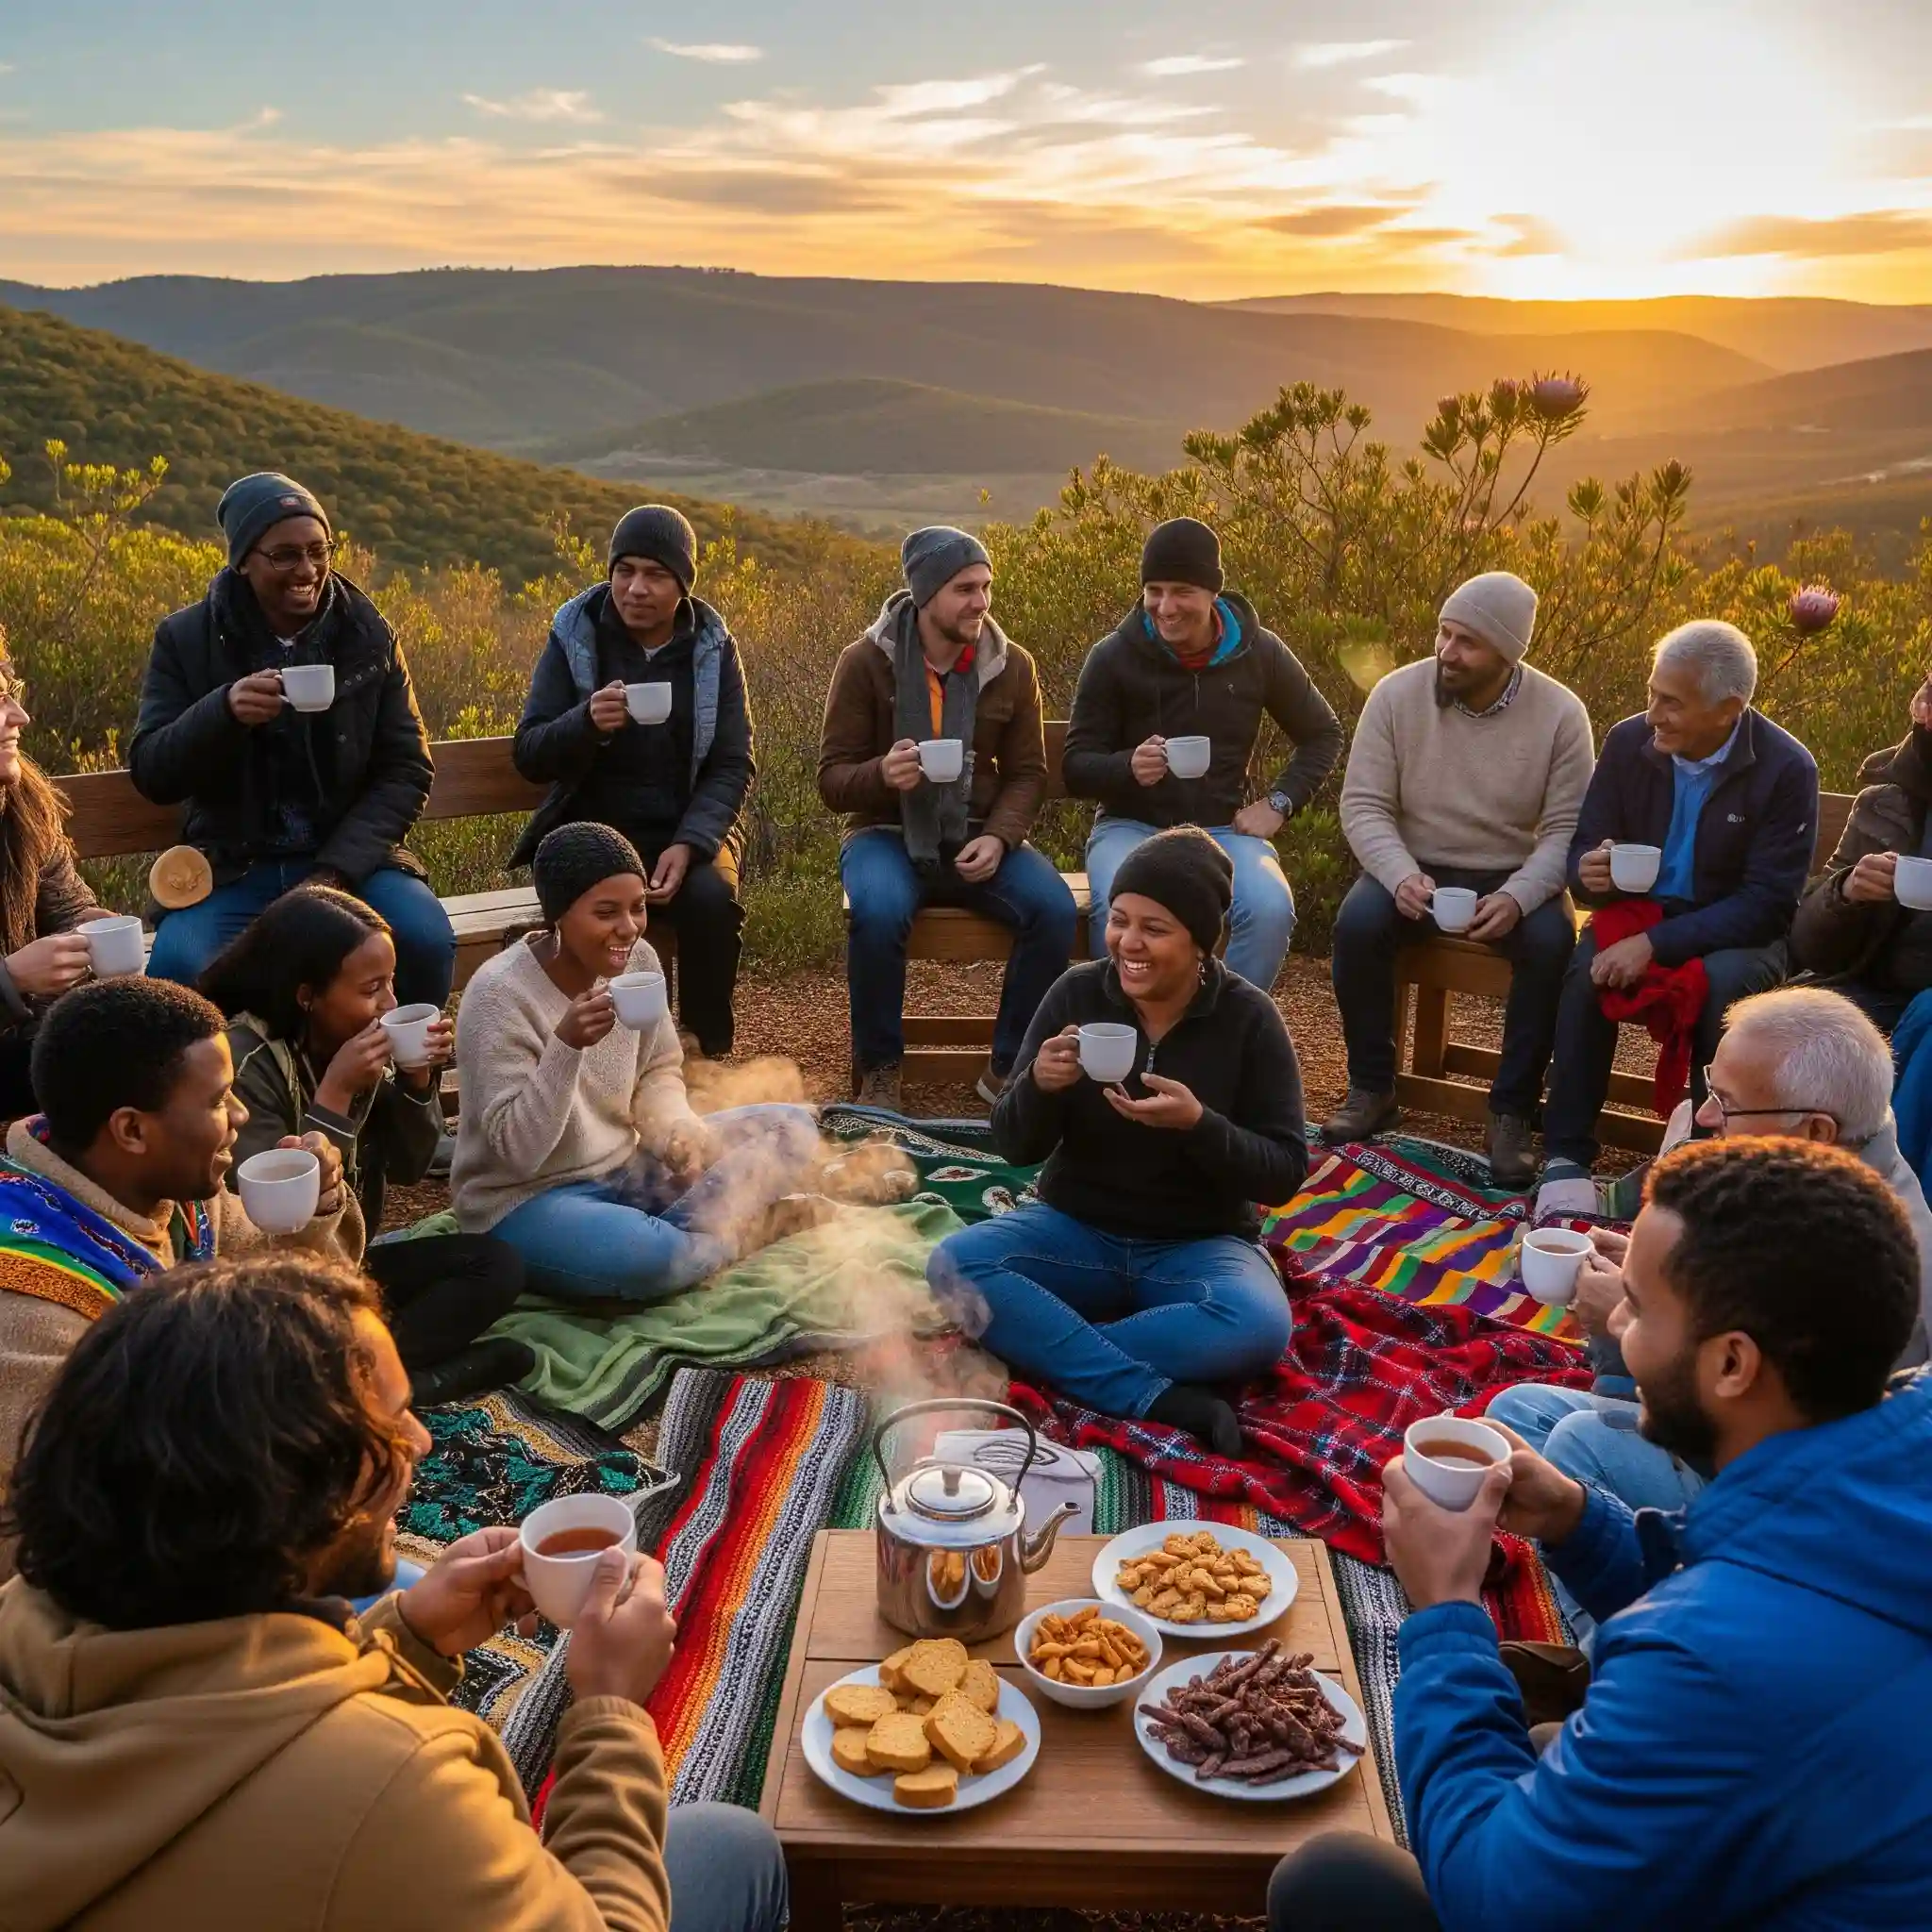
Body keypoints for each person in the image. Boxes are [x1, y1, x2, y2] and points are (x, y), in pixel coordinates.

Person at [0, 1252, 789, 1932]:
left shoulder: (24, 1623)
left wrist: (405, 1641)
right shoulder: (394, 1787)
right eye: (396, 1420)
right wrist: (609, 1708)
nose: (424, 1441)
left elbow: (227, 1730)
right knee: (735, 1849)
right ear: (296, 1494)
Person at [1272, 1138, 1932, 1932]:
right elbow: (1786, 1606)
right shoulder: (1896, 1450)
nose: (1613, 1320)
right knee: (1552, 1742)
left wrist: (1444, 1613)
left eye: (1640, 1308)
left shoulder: (1705, 1663)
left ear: (1733, 1365)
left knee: (1330, 1882)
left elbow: (1494, 1902)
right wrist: (1582, 1526)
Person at [1491, 988, 1932, 1579]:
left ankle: (1605, 1638)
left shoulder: (1862, 1256)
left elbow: (1762, 1447)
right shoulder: (1806, 1177)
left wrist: (1627, 1321)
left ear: (1817, 1130)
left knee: (1575, 1442)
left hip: (1790, 1523)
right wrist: (1659, 1285)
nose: (1703, 1116)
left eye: (1727, 1101)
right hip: (1755, 1454)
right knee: (1516, 1410)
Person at [928, 828, 1305, 1456]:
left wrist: (1199, 1125)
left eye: (1154, 929)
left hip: (1199, 1246)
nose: (1129, 943)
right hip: (1074, 1231)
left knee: (1259, 1325)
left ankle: (1051, 1346)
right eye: (1120, 920)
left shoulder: (1250, 1019)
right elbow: (1014, 1146)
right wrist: (1038, 1087)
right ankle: (1153, 1396)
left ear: (1199, 941)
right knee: (954, 1265)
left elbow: (1284, 1172)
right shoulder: (1075, 994)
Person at [0, 976, 358, 1578]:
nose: (241, 1115)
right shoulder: (28, 1304)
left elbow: (318, 1306)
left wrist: (315, 1208)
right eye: (219, 1100)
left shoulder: (174, 1197)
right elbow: (57, 1532)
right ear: (132, 1131)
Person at [451, 824, 822, 1302]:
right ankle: (735, 1230)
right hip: (530, 1198)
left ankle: (692, 1232)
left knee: (793, 1127)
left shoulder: (639, 961)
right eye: (606, 913)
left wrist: (676, 1131)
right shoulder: (498, 997)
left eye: (638, 907)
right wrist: (565, 1046)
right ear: (559, 916)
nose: (628, 929)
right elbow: (517, 1153)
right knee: (649, 1259)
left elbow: (658, 1068)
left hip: (628, 1166)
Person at [129, 472, 456, 1009]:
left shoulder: (368, 634)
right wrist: (224, 711)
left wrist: (333, 874)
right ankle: (217, 1093)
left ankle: (404, 1078)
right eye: (284, 555)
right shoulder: (186, 639)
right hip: (236, 867)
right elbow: (152, 771)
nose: (307, 570)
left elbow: (406, 768)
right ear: (243, 560)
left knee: (423, 938)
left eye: (318, 550)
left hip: (350, 862)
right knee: (178, 971)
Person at [199, 884, 533, 1408]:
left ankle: (366, 1378)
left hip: (347, 1261)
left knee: (496, 1265)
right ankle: (384, 1387)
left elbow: (409, 1167)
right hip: (271, 1287)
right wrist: (334, 1094)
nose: (390, 1004)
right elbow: (274, 1227)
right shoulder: (243, 1064)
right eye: (371, 988)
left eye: (391, 983)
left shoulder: (352, 1041)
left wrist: (419, 1082)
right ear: (307, 995)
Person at [1327, 573, 1594, 1185]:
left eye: (1467, 642)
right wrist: (1399, 876)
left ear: (1507, 654)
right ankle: (1372, 1087)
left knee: (1554, 945)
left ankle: (1511, 1111)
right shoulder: (1396, 696)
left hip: (1515, 871)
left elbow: (1566, 830)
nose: (1446, 652)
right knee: (1358, 925)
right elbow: (1363, 805)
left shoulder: (1560, 714)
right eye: (1444, 634)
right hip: (1414, 865)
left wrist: (1520, 894)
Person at [1541, 621, 1818, 1183]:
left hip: (1736, 929)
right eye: (1651, 694)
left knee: (1722, 986)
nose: (1652, 715)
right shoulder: (1627, 744)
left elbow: (1768, 903)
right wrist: (1590, 872)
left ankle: (1701, 1159)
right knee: (1585, 972)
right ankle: (1565, 1154)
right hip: (1643, 910)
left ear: (1728, 709)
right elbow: (1584, 847)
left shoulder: (1787, 768)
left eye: (1671, 703)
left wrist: (1654, 945)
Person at [818, 525, 1076, 1109]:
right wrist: (881, 774)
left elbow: (1027, 774)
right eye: (965, 588)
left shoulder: (1012, 666)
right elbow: (832, 778)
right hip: (883, 833)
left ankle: (1010, 1068)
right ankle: (881, 1068)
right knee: (878, 911)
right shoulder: (865, 663)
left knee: (1055, 909)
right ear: (926, 593)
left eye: (985, 587)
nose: (980, 602)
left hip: (978, 835)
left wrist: (1002, 839)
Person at [511, 506, 755, 1059]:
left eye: (655, 574)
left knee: (711, 900)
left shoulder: (712, 649)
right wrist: (586, 723)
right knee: (596, 908)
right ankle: (599, 1057)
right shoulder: (576, 635)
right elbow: (529, 753)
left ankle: (704, 1056)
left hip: (684, 825)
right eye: (625, 570)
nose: (635, 587)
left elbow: (732, 761)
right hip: (592, 831)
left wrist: (692, 843)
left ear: (682, 586)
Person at [1064, 517, 1342, 993]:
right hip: (1130, 826)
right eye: (1154, 590)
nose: (1165, 607)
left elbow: (1323, 734)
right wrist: (1126, 767)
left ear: (1214, 591)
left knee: (1271, 909)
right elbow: (1075, 767)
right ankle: (1125, 1037)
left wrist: (1278, 804)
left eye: (1182, 591)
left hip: (1223, 828)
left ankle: (1224, 1033)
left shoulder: (1260, 652)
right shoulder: (1113, 656)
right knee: (1120, 907)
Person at [1790, 667, 1932, 1031]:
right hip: (1872, 996)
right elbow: (1807, 946)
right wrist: (1847, 892)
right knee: (1771, 1030)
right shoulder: (1885, 802)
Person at [0, 629, 101, 1116]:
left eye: (12, 694)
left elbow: (68, 903)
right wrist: (11, 977)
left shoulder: (21, 805)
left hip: (31, 1042)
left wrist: (94, 928)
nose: (20, 717)